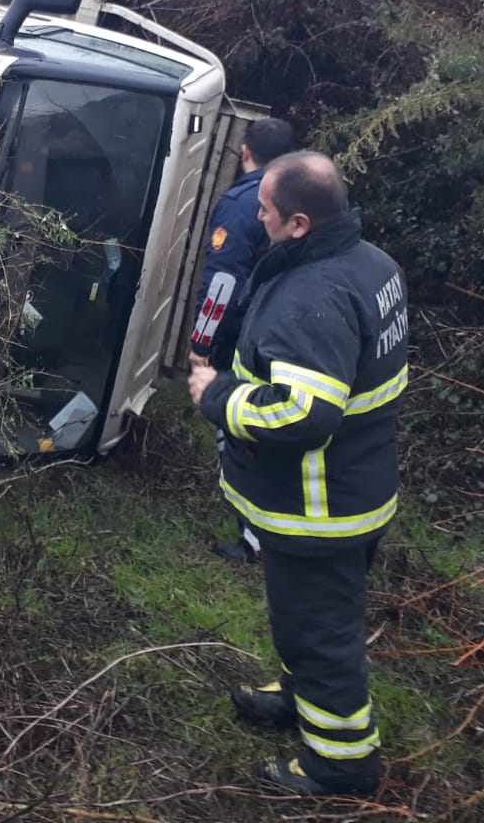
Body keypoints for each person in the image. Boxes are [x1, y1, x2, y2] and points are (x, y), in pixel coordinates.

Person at [186, 152, 408, 799]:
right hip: (360, 484)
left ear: (301, 223)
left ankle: (341, 767)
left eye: (267, 210)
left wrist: (215, 396)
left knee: (320, 636)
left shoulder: (311, 297)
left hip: (319, 511)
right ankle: (297, 698)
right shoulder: (374, 265)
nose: (258, 216)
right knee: (303, 623)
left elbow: (304, 413)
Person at [188, 116, 295, 563]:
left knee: (236, 424)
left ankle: (255, 538)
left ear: (245, 152)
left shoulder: (243, 204)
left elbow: (222, 284)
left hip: (241, 336)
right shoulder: (297, 198)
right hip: (282, 330)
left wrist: (200, 343)